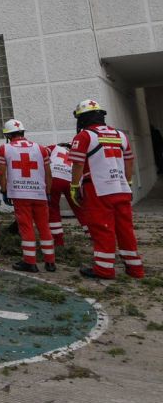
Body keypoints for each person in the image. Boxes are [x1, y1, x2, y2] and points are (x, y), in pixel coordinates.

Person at [69, 99, 144, 279]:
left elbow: (78, 164)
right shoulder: (120, 135)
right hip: (122, 188)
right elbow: (129, 161)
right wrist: (127, 182)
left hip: (98, 189)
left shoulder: (85, 136)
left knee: (102, 228)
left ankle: (104, 269)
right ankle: (135, 268)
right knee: (125, 228)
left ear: (82, 118)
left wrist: (74, 186)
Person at [0, 119, 55, 273]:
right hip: (40, 193)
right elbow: (48, 173)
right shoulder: (41, 149)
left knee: (26, 227)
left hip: (20, 194)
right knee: (44, 226)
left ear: (8, 135)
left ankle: (30, 262)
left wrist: (4, 191)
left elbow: (1, 173)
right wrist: (48, 192)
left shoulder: (5, 148)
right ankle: (50, 262)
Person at [46, 141, 87, 246]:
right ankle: (92, 233)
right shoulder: (76, 154)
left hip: (54, 178)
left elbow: (42, 153)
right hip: (71, 180)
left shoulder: (54, 147)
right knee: (79, 208)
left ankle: (58, 241)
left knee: (53, 209)